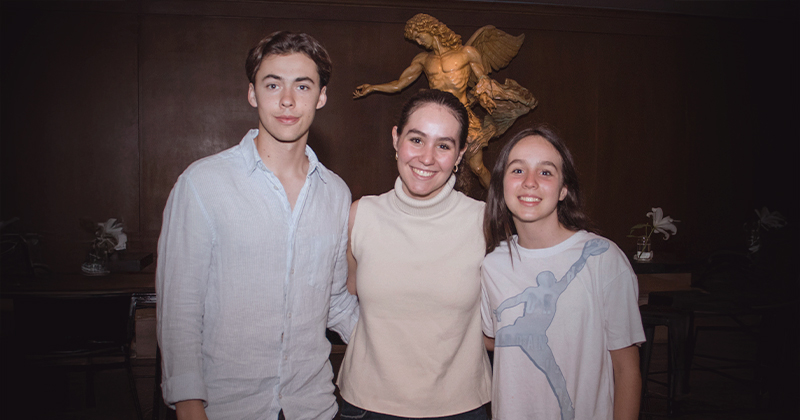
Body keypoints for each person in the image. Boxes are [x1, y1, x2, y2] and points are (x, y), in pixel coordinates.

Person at [156, 31, 359, 420]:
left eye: (303, 86)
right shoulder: (203, 183)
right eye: (273, 84)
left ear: (321, 96)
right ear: (252, 93)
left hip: (312, 405)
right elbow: (180, 307)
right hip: (226, 407)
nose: (287, 100)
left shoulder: (335, 193)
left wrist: (398, 341)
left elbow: (334, 300)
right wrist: (188, 403)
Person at [336, 89, 492, 419]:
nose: (427, 157)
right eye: (417, 140)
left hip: (460, 407)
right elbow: (347, 294)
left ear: (460, 153)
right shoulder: (361, 215)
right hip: (366, 404)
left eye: (444, 145)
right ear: (396, 139)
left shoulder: (484, 223)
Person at [481, 125, 645, 420]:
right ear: (501, 184)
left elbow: (627, 370)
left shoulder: (604, 259)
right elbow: (490, 338)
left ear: (563, 189)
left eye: (545, 172)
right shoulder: (492, 264)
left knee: (554, 375)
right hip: (520, 358)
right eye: (517, 170)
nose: (530, 182)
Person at [352, 13, 536, 188]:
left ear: (431, 30)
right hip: (436, 120)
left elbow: (483, 80)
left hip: (464, 116)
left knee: (478, 168)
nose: (419, 42)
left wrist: (485, 95)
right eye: (415, 40)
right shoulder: (423, 60)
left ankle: (499, 203)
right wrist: (373, 88)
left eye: (419, 37)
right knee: (431, 164)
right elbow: (399, 84)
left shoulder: (466, 53)